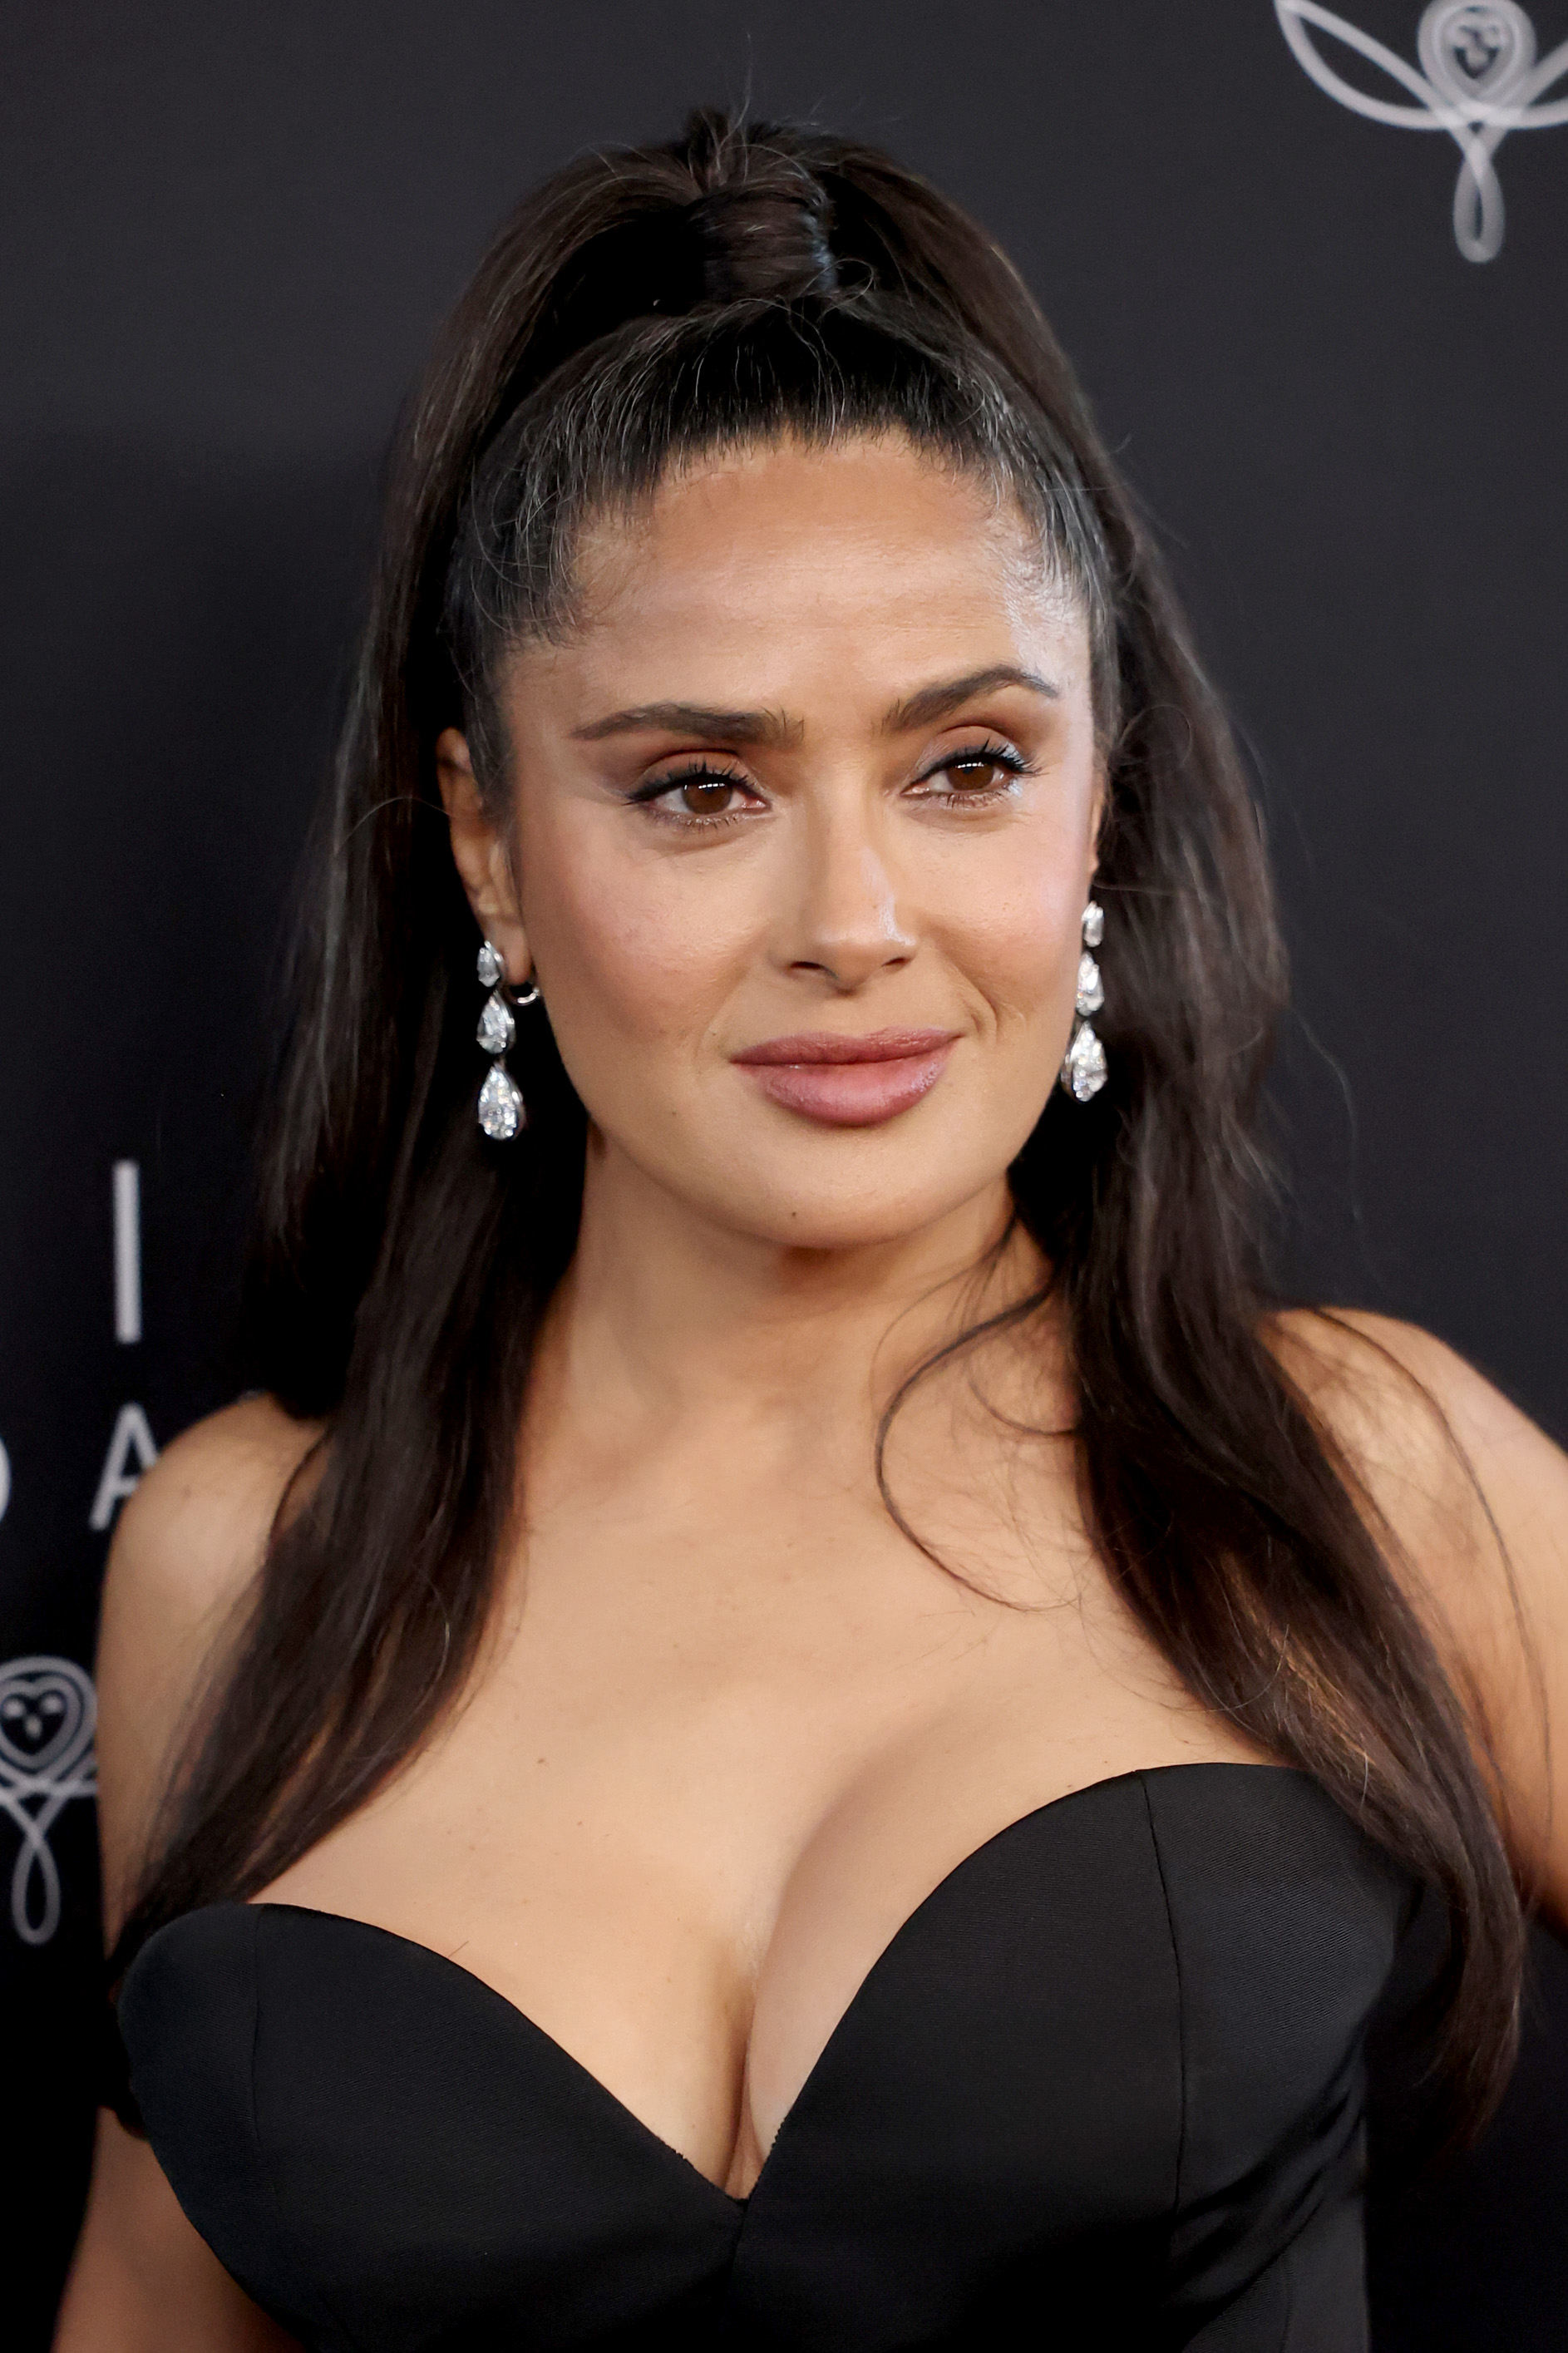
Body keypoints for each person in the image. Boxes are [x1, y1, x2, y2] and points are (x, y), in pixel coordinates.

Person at [55, 109, 1566, 2352]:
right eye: (700, 788)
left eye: (968, 767)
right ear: (486, 842)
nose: (854, 922)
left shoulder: (1354, 1469)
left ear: (1102, 796)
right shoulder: (245, 1560)